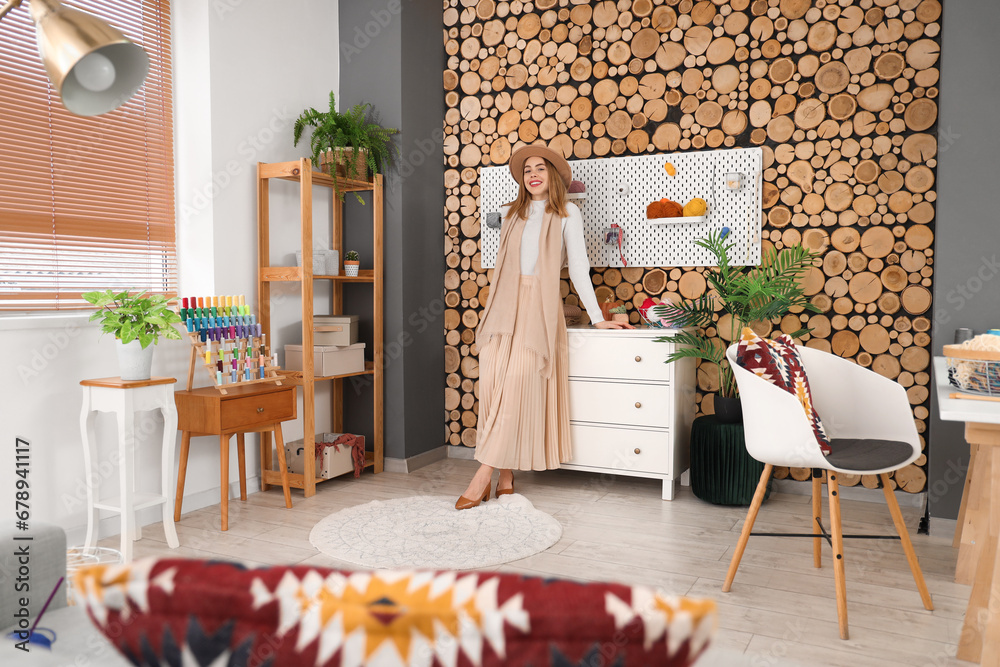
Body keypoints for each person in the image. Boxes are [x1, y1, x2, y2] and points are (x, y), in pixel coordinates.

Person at [456, 145, 633, 510]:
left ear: (554, 175)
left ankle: (481, 476)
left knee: (519, 386)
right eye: (527, 170)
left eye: (540, 168)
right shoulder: (511, 214)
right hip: (503, 306)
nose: (533, 174)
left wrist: (598, 318)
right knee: (493, 388)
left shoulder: (568, 212)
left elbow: (579, 270)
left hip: (539, 307)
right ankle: (506, 475)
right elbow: (504, 265)